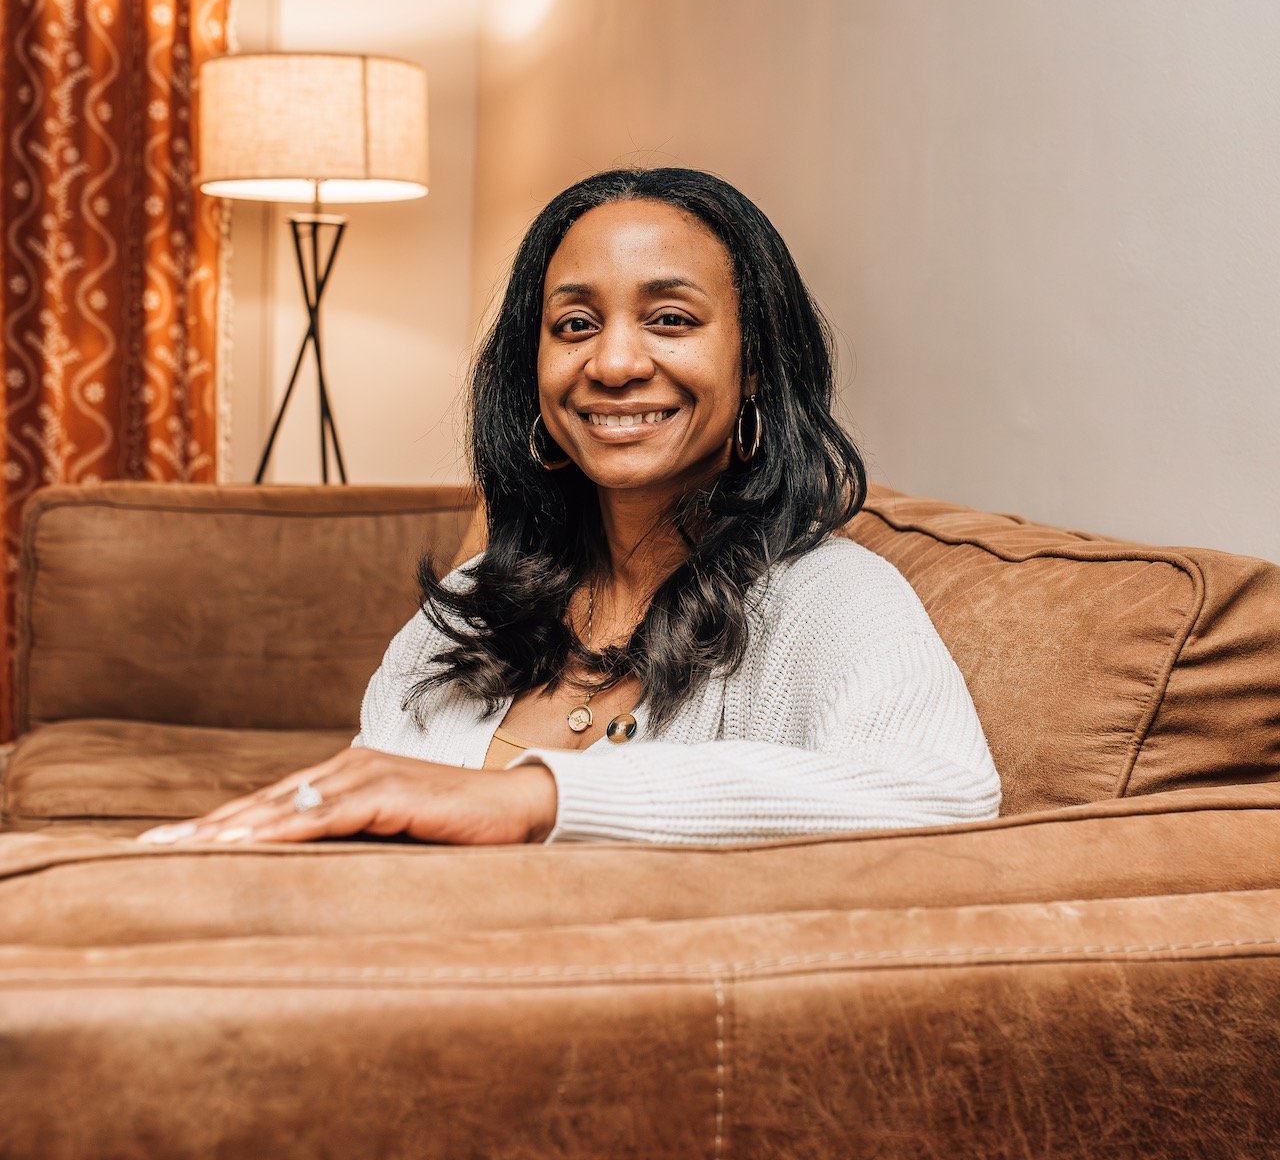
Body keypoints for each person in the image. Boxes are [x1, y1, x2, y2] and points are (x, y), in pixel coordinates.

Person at [139, 167, 1000, 849]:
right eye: (575, 325)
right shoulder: (476, 604)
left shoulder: (830, 595)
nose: (615, 362)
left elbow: (944, 792)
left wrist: (535, 797)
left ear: (757, 368)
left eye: (670, 318)